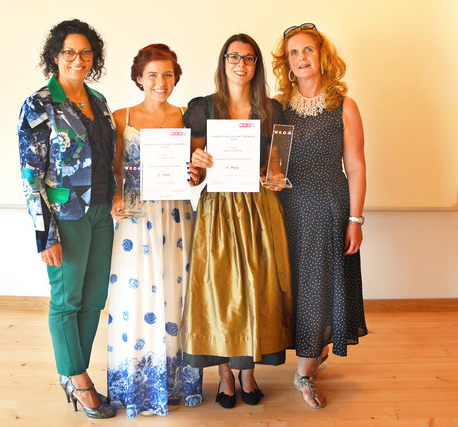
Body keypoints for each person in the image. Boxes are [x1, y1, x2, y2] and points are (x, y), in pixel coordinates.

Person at [179, 33, 294, 409]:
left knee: (256, 289)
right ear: (223, 61)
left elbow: (276, 169)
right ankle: (225, 372)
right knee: (222, 290)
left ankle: (249, 370)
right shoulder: (201, 109)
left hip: (260, 208)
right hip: (218, 210)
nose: (241, 63)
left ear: (256, 65)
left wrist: (274, 178)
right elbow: (192, 175)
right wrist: (195, 164)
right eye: (234, 56)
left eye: (248, 57)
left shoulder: (272, 110)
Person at [17, 19, 117, 419]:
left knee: (93, 300)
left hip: (101, 213)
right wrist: (46, 235)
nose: (79, 59)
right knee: (66, 301)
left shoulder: (100, 101)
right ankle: (79, 382)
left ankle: (73, 372)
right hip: (65, 215)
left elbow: (109, 158)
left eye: (86, 52)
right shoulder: (39, 104)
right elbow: (30, 176)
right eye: (70, 52)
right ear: (55, 56)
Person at [272, 23, 368, 409]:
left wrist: (355, 220)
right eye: (294, 53)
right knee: (294, 287)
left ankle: (302, 373)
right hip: (286, 209)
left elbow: (357, 167)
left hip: (329, 208)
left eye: (307, 50)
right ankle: (311, 351)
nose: (301, 58)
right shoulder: (277, 105)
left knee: (320, 286)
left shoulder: (344, 106)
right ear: (287, 62)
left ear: (322, 54)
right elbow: (270, 164)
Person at [106, 43, 204, 418]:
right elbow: (114, 169)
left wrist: (196, 173)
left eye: (167, 74)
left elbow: (197, 170)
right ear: (138, 78)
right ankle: (139, 384)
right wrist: (116, 195)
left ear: (175, 77)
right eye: (152, 75)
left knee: (177, 293)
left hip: (177, 214)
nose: (160, 82)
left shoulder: (187, 116)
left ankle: (178, 383)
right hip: (135, 216)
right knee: (137, 298)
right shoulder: (122, 117)